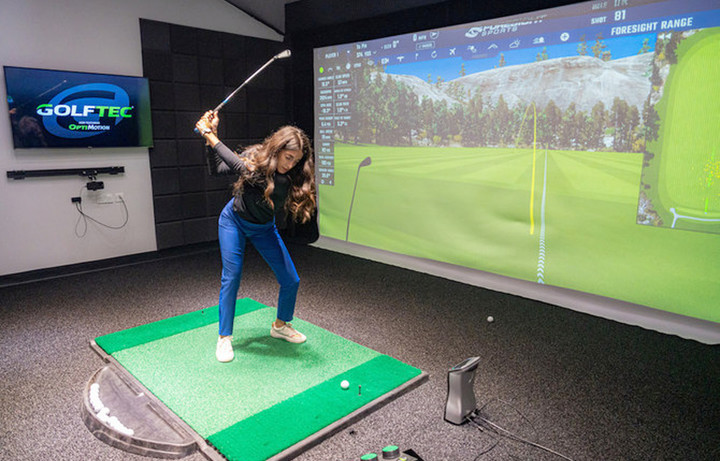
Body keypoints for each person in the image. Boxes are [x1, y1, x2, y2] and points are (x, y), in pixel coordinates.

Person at [195, 111, 316, 362]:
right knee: (232, 277)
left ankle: (280, 326)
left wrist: (209, 134)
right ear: (277, 149)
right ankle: (224, 337)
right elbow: (218, 169)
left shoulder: (284, 179)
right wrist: (210, 138)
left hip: (263, 228)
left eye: (296, 160)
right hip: (233, 221)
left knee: (291, 280)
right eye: (288, 157)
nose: (291, 164)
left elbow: (243, 169)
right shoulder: (257, 156)